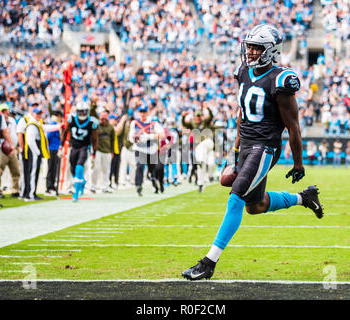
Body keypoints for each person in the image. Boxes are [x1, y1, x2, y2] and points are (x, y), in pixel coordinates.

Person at [181, 24, 324, 281]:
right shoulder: (244, 72)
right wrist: (235, 149)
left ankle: (208, 263)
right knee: (255, 206)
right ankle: (305, 198)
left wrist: (299, 163)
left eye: (258, 47)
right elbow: (241, 114)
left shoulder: (281, 80)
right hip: (247, 145)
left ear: (271, 51)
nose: (251, 52)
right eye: (250, 46)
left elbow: (293, 126)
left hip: (265, 147)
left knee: (235, 197)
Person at [61, 101, 99, 201]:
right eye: (80, 112)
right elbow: (65, 132)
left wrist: (94, 152)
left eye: (84, 112)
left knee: (79, 166)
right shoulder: (72, 119)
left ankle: (76, 193)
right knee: (73, 169)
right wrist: (61, 146)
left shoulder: (92, 122)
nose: (82, 114)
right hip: (73, 147)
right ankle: (81, 182)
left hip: (84, 147)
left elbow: (95, 139)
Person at [128, 103, 165, 196]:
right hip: (140, 148)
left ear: (147, 112)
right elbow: (130, 137)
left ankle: (156, 183)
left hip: (151, 149)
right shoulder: (134, 123)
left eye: (144, 112)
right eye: (141, 112)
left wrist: (150, 136)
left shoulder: (153, 123)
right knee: (139, 166)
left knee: (153, 169)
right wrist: (136, 138)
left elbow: (162, 134)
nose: (142, 114)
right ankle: (138, 185)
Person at [18, 107, 51, 201]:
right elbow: (30, 140)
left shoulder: (37, 123)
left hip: (33, 150)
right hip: (33, 151)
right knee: (32, 173)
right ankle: (30, 194)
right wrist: (37, 152)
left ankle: (30, 193)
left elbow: (46, 128)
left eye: (40, 113)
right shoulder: (32, 124)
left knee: (32, 172)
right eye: (37, 113)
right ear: (33, 114)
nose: (39, 115)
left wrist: (59, 126)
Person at [182, 104, 214, 192]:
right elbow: (184, 124)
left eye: (199, 116)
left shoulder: (205, 122)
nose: (198, 118)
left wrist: (208, 109)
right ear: (195, 116)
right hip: (199, 146)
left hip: (207, 143)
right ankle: (200, 183)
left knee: (211, 163)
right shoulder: (192, 123)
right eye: (197, 116)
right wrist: (183, 117)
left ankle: (210, 175)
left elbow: (211, 116)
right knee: (201, 164)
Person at [0, 103, 20, 198]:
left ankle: (15, 189)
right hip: (3, 148)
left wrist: (16, 145)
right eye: (3, 111)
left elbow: (15, 133)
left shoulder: (12, 120)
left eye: (6, 110)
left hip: (12, 148)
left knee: (15, 170)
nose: (5, 112)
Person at [90, 111, 115, 193]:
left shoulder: (110, 127)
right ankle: (93, 186)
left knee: (106, 170)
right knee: (95, 169)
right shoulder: (96, 126)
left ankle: (105, 187)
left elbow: (112, 140)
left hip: (107, 151)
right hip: (98, 150)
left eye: (105, 116)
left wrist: (112, 152)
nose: (103, 118)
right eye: (102, 116)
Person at [45, 109, 63, 195]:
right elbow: (48, 136)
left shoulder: (55, 124)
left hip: (55, 148)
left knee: (54, 168)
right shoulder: (53, 124)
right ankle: (49, 187)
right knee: (51, 168)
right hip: (52, 148)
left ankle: (52, 185)